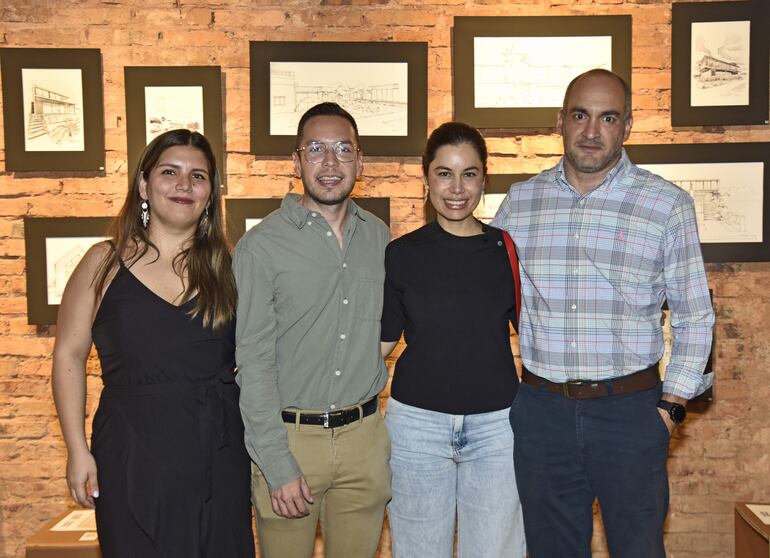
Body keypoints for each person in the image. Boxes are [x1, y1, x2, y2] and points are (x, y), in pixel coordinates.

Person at [492, 68, 715, 558]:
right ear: (560, 121)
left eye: (607, 118)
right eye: (580, 116)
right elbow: (489, 297)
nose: (592, 132)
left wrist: (671, 408)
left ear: (627, 126)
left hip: (631, 414)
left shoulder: (667, 205)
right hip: (542, 414)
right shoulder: (519, 202)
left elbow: (696, 316)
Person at [51, 129, 255, 558]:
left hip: (218, 452)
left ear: (210, 193)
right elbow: (68, 354)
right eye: (170, 172)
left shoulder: (232, 266)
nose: (184, 185)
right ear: (144, 185)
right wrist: (77, 451)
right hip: (131, 451)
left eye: (198, 176)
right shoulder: (101, 263)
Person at [233, 102, 391, 558]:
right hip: (289, 440)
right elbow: (253, 364)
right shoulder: (260, 247)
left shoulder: (379, 238)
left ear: (360, 161)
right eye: (315, 149)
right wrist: (276, 463)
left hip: (364, 439)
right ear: (296, 160)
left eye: (343, 149)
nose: (329, 162)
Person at [380, 122, 526, 558]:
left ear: (484, 179)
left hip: (497, 430)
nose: (457, 188)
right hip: (415, 429)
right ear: (426, 179)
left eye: (469, 174)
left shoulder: (506, 250)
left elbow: (539, 338)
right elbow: (380, 344)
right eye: (444, 173)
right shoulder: (402, 254)